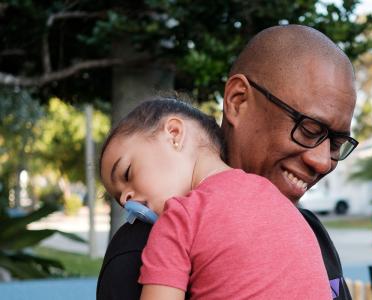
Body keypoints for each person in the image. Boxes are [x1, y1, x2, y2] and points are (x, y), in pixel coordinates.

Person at [97, 24, 358, 300]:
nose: (322, 162)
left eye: (337, 144)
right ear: (237, 100)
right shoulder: (147, 245)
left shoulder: (308, 228)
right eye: (308, 130)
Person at [99, 99, 331, 299]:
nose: (127, 199)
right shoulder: (280, 204)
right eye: (120, 198)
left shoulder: (178, 220)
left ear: (174, 134)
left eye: (127, 173)